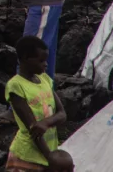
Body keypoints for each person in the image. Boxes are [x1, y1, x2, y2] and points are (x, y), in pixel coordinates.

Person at [5, 35, 73, 171]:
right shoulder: (16, 86)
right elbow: (33, 130)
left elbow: (62, 114)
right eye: (41, 60)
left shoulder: (45, 79)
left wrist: (45, 123)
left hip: (49, 149)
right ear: (25, 58)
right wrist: (51, 160)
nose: (46, 64)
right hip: (28, 155)